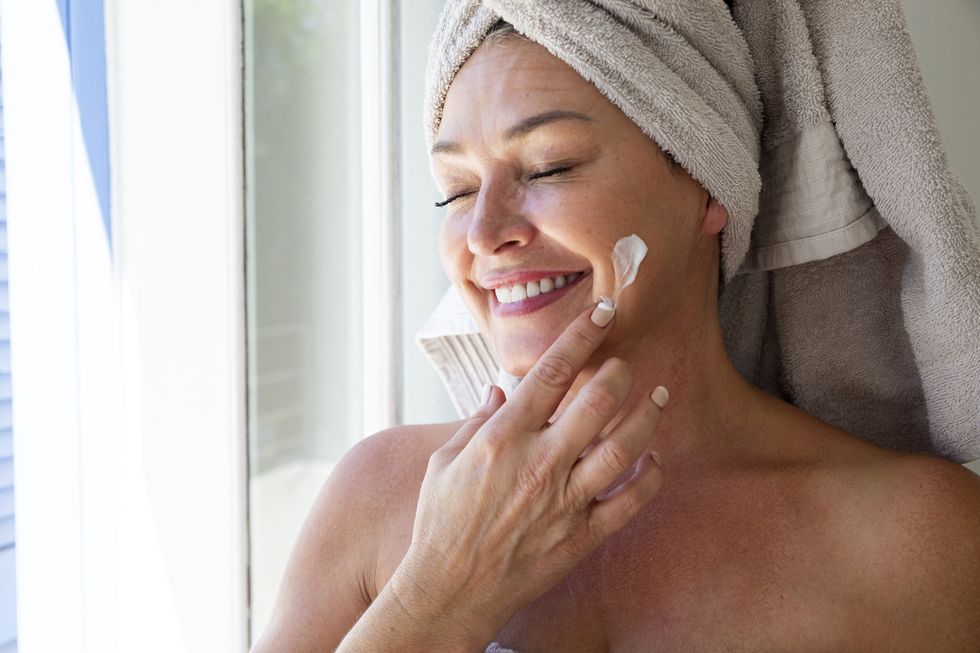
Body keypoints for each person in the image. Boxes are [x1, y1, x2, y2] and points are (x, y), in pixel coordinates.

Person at [251, 7, 980, 653]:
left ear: (705, 185)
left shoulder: (925, 542)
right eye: (458, 189)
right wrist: (436, 600)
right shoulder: (376, 502)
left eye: (548, 166)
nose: (482, 232)